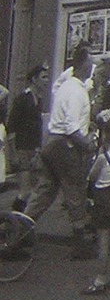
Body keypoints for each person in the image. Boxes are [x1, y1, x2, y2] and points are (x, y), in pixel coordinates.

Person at [25, 45, 96, 259]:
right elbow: (72, 127)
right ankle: (81, 242)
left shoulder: (65, 86)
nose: (92, 66)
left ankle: (18, 231)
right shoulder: (77, 92)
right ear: (84, 65)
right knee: (75, 191)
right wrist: (87, 144)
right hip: (65, 146)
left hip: (51, 143)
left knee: (44, 191)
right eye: (91, 62)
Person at [81, 115, 110, 296]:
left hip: (102, 198)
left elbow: (91, 177)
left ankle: (100, 278)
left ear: (106, 134)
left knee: (103, 241)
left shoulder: (102, 158)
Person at [5, 64, 47, 200]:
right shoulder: (22, 99)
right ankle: (14, 217)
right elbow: (11, 127)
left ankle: (22, 216)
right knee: (25, 191)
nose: (46, 80)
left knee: (33, 190)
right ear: (34, 79)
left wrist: (38, 148)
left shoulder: (39, 100)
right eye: (43, 77)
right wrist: (13, 153)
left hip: (33, 149)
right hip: (22, 148)